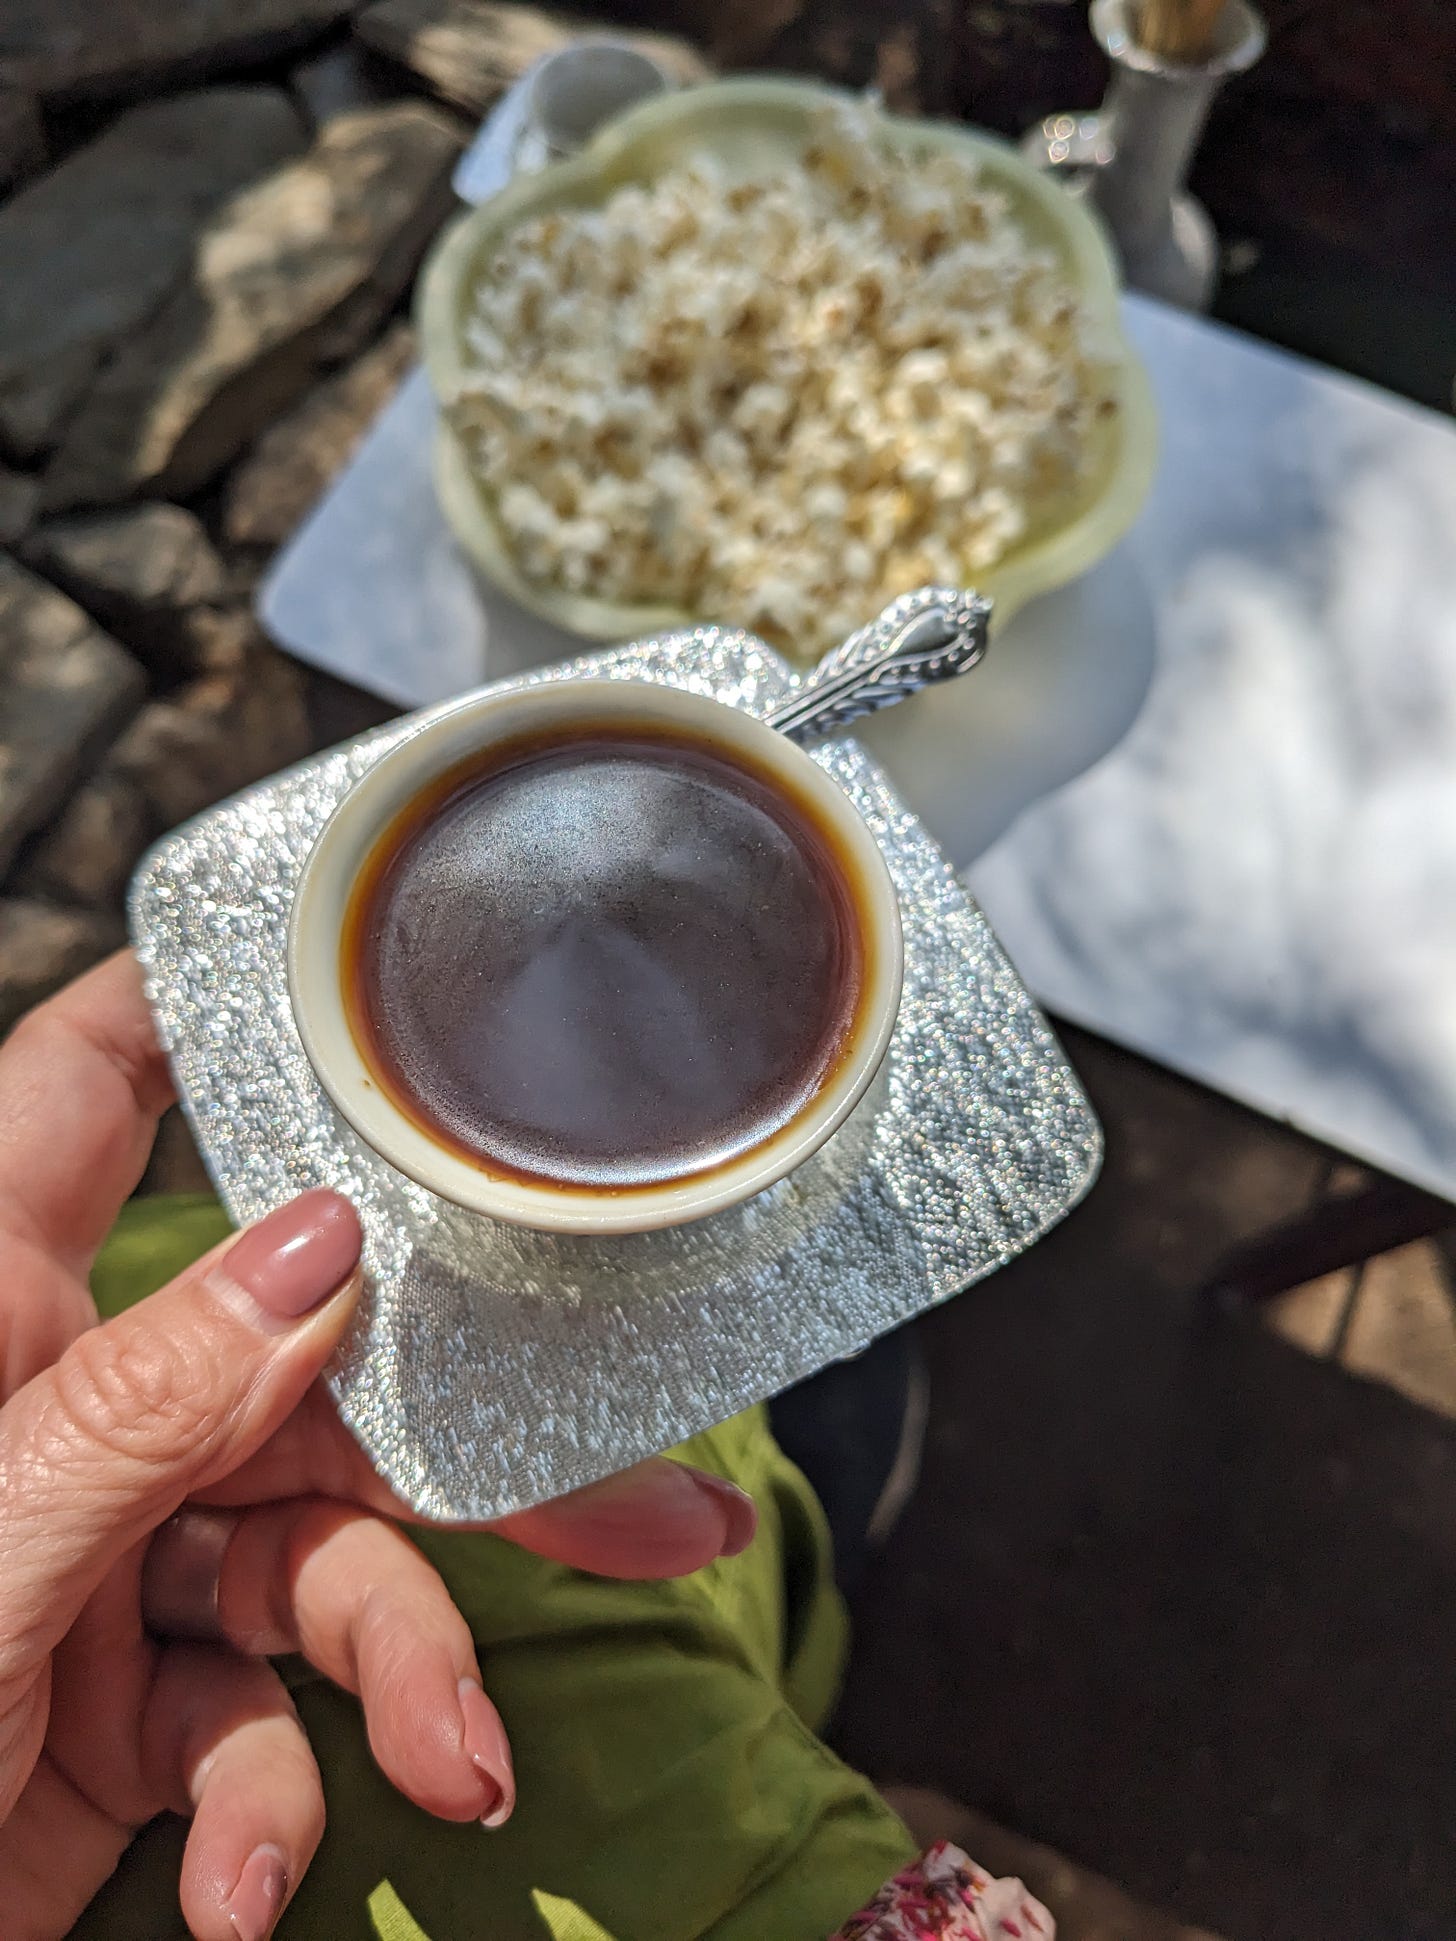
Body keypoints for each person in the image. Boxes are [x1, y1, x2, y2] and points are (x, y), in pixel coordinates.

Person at [0, 954, 1050, 1941]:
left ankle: (804, 1506)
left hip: (189, 1526)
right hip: (691, 1793)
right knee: (761, 1471)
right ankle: (812, 1514)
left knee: (721, 1465)